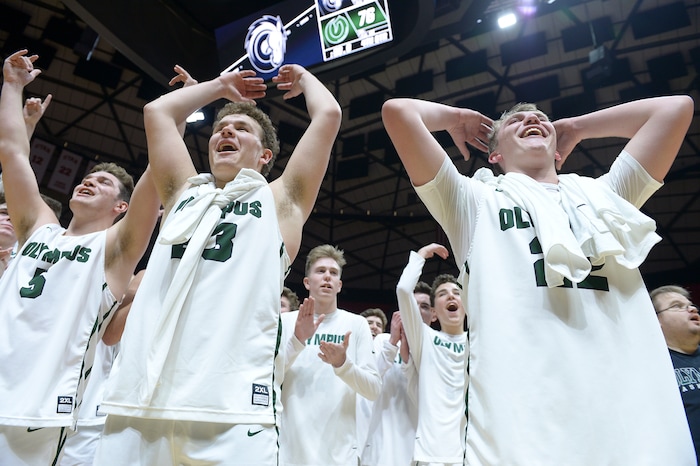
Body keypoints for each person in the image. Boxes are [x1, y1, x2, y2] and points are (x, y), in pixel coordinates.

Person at [382, 93, 695, 464]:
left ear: (558, 150)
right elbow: (399, 113)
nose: (532, 119)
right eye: (516, 121)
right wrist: (457, 118)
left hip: (628, 414)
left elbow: (675, 109)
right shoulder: (472, 201)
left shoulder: (607, 195)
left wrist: (576, 127)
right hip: (529, 422)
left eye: (542, 118)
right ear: (494, 155)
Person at [96, 63, 341, 465]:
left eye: (242, 128)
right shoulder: (182, 193)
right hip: (139, 403)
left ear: (265, 156)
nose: (226, 132)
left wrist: (305, 80)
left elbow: (328, 115)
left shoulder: (281, 201)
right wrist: (219, 87)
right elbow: (157, 113)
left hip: (230, 409)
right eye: (219, 130)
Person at [0, 49, 160, 465]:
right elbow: (13, 152)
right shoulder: (38, 226)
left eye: (104, 182)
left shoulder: (114, 252)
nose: (89, 182)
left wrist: (174, 119)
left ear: (120, 207)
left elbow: (156, 176)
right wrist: (12, 86)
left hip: (38, 408)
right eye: (87, 178)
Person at [280, 244, 381, 466]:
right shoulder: (286, 322)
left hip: (340, 455)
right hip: (289, 452)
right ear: (307, 282)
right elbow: (269, 379)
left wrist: (343, 364)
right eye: (320, 271)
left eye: (333, 273)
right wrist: (297, 340)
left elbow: (373, 390)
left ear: (339, 285)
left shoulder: (357, 324)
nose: (327, 276)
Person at [396, 243, 467, 465]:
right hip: (429, 455)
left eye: (457, 293)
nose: (451, 297)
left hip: (469, 452)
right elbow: (403, 290)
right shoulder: (425, 339)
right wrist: (421, 256)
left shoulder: (479, 342)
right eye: (443, 294)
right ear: (434, 313)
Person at [651, 285, 700, 463]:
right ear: (655, 320)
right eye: (677, 306)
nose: (692, 308)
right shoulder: (651, 367)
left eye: (691, 304)